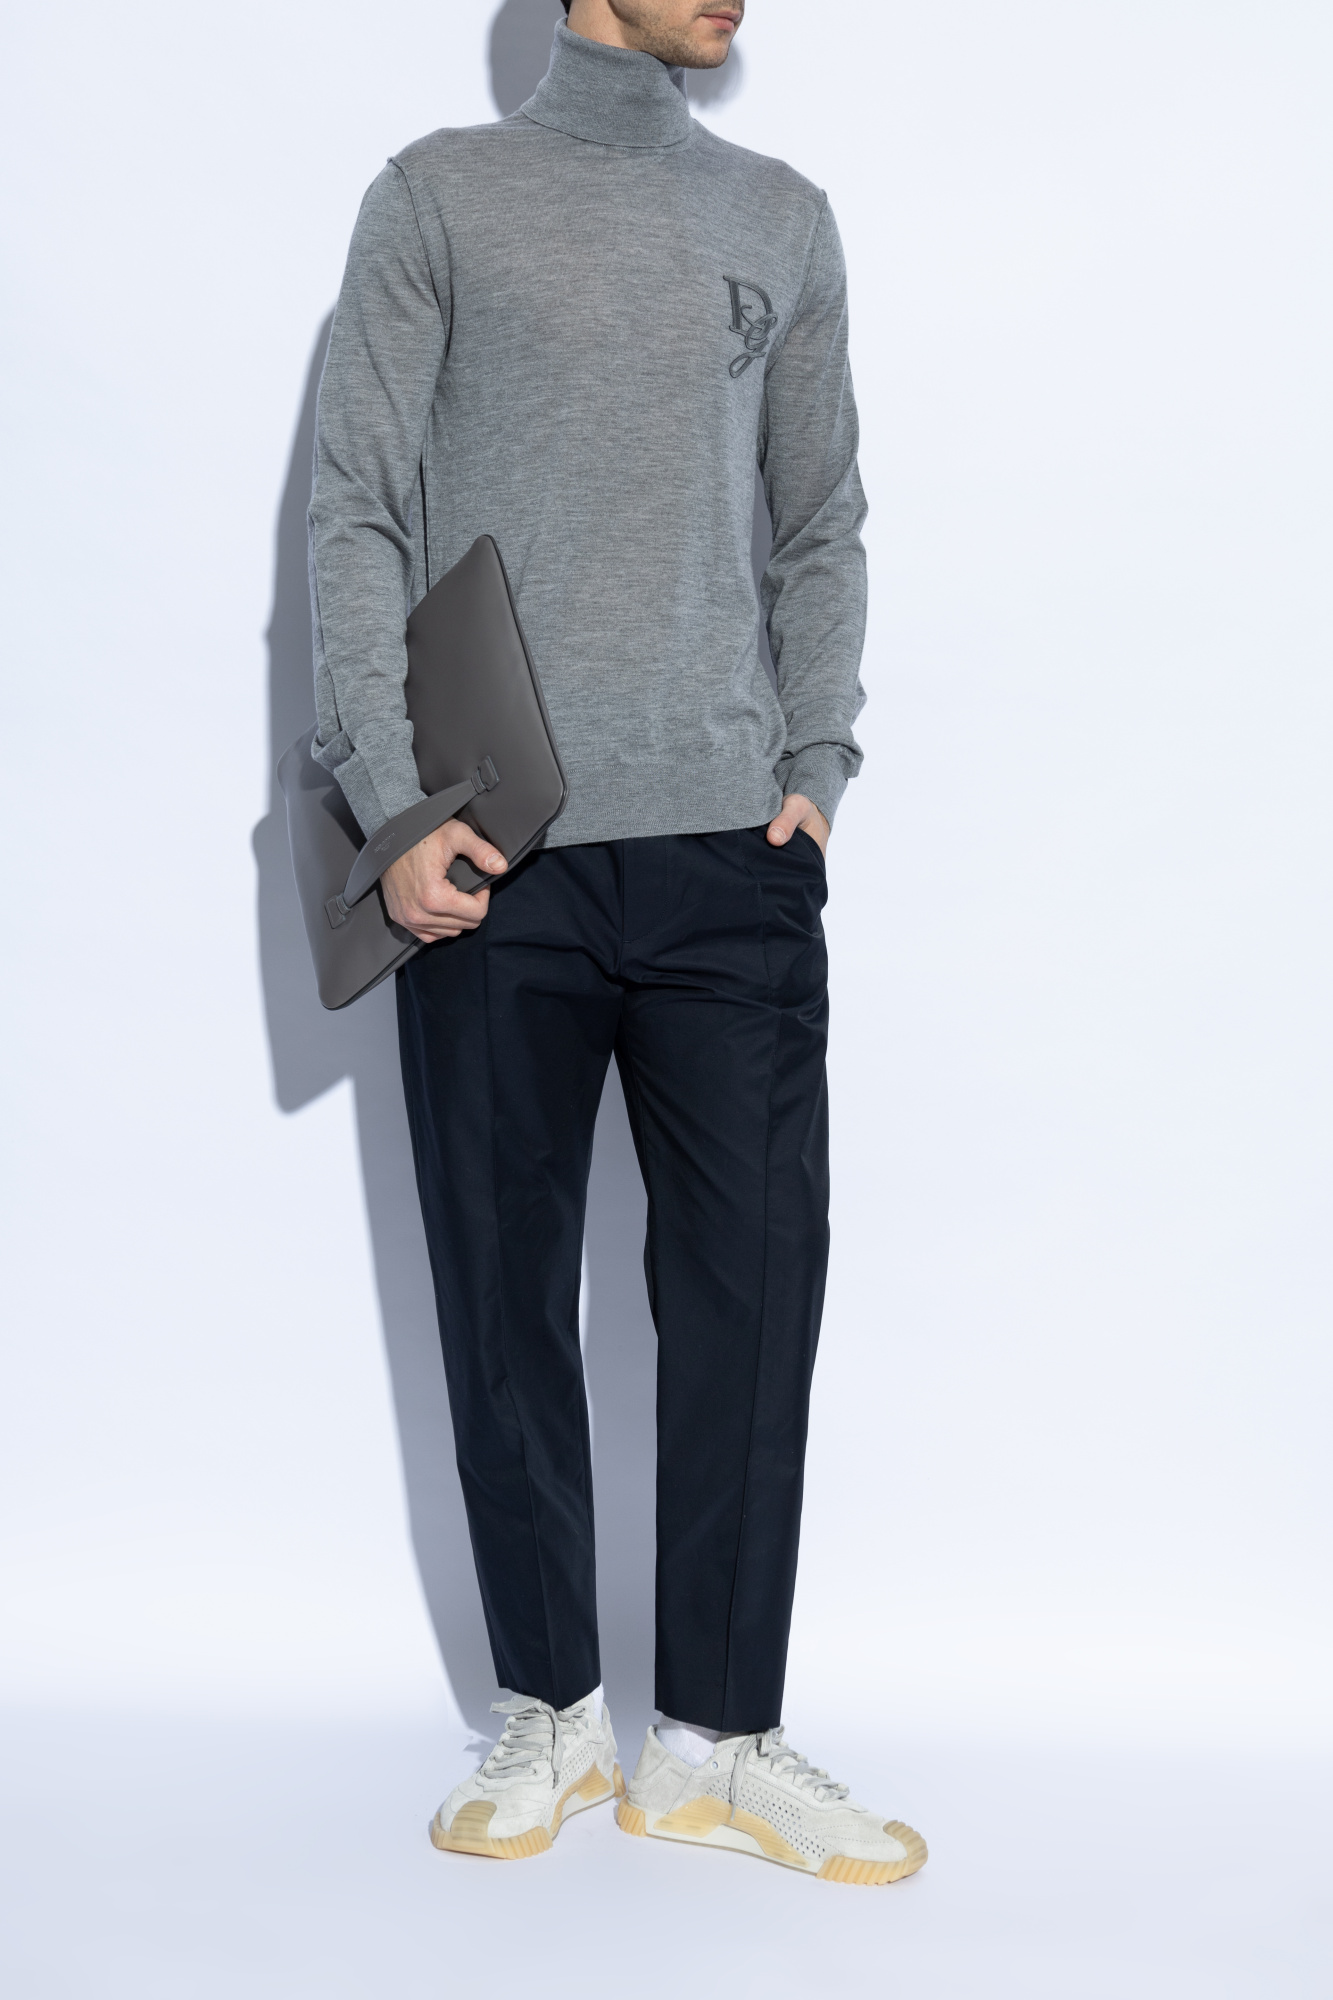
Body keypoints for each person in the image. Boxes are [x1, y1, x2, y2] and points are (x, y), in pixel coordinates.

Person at [307, 0, 926, 1886]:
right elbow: (357, 507)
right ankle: (552, 1710)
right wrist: (394, 805)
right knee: (502, 1297)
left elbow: (818, 521)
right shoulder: (438, 197)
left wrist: (815, 764)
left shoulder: (781, 216)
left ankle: (715, 1742)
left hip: (734, 855)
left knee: (753, 1298)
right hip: (497, 854)